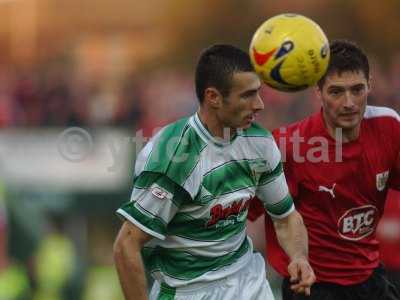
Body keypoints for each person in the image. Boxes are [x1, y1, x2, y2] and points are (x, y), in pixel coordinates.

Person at [113, 44, 315, 300]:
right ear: (213, 97)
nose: (260, 105)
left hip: (248, 283)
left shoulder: (260, 143)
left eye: (259, 93)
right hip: (188, 291)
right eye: (248, 95)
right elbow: (126, 245)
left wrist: (299, 257)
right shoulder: (174, 157)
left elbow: (286, 218)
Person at [248, 39, 400, 300]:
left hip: (370, 278)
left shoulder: (389, 125)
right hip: (311, 285)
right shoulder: (287, 145)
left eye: (357, 89)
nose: (349, 102)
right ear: (318, 92)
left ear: (370, 85)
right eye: (336, 92)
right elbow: (241, 213)